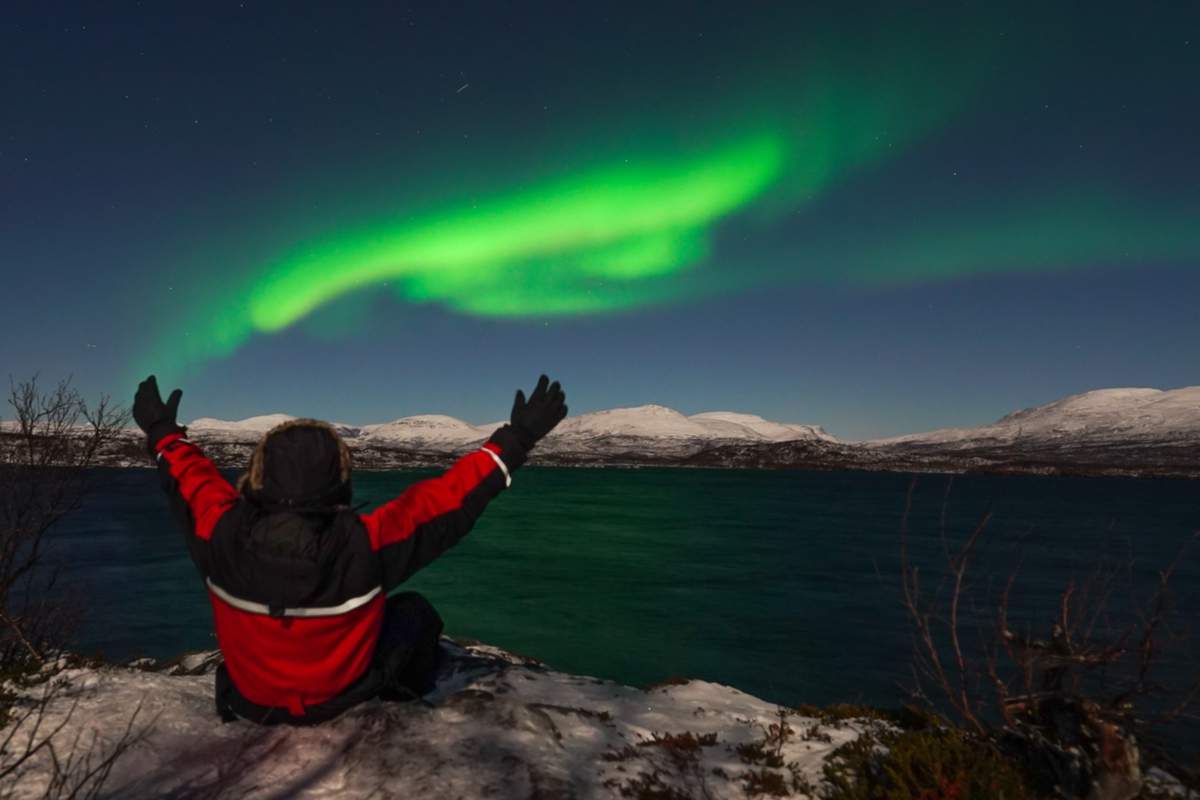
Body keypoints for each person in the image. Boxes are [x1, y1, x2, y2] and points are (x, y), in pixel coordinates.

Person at [132, 373, 567, 725]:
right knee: (415, 611)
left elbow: (191, 480)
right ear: (340, 479)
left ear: (259, 476)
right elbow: (448, 500)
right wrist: (517, 440)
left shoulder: (220, 533)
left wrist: (161, 431)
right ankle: (404, 698)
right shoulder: (365, 545)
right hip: (338, 699)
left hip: (251, 701)